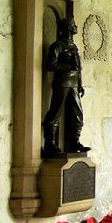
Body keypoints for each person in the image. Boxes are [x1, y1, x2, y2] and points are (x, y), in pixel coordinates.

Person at [41, 17, 90, 155]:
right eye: (73, 25)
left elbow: (78, 68)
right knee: (55, 111)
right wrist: (68, 66)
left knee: (77, 113)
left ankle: (75, 141)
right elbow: (51, 65)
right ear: (68, 27)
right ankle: (49, 143)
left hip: (74, 84)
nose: (75, 27)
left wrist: (80, 84)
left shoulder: (73, 46)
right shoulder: (57, 46)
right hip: (62, 83)